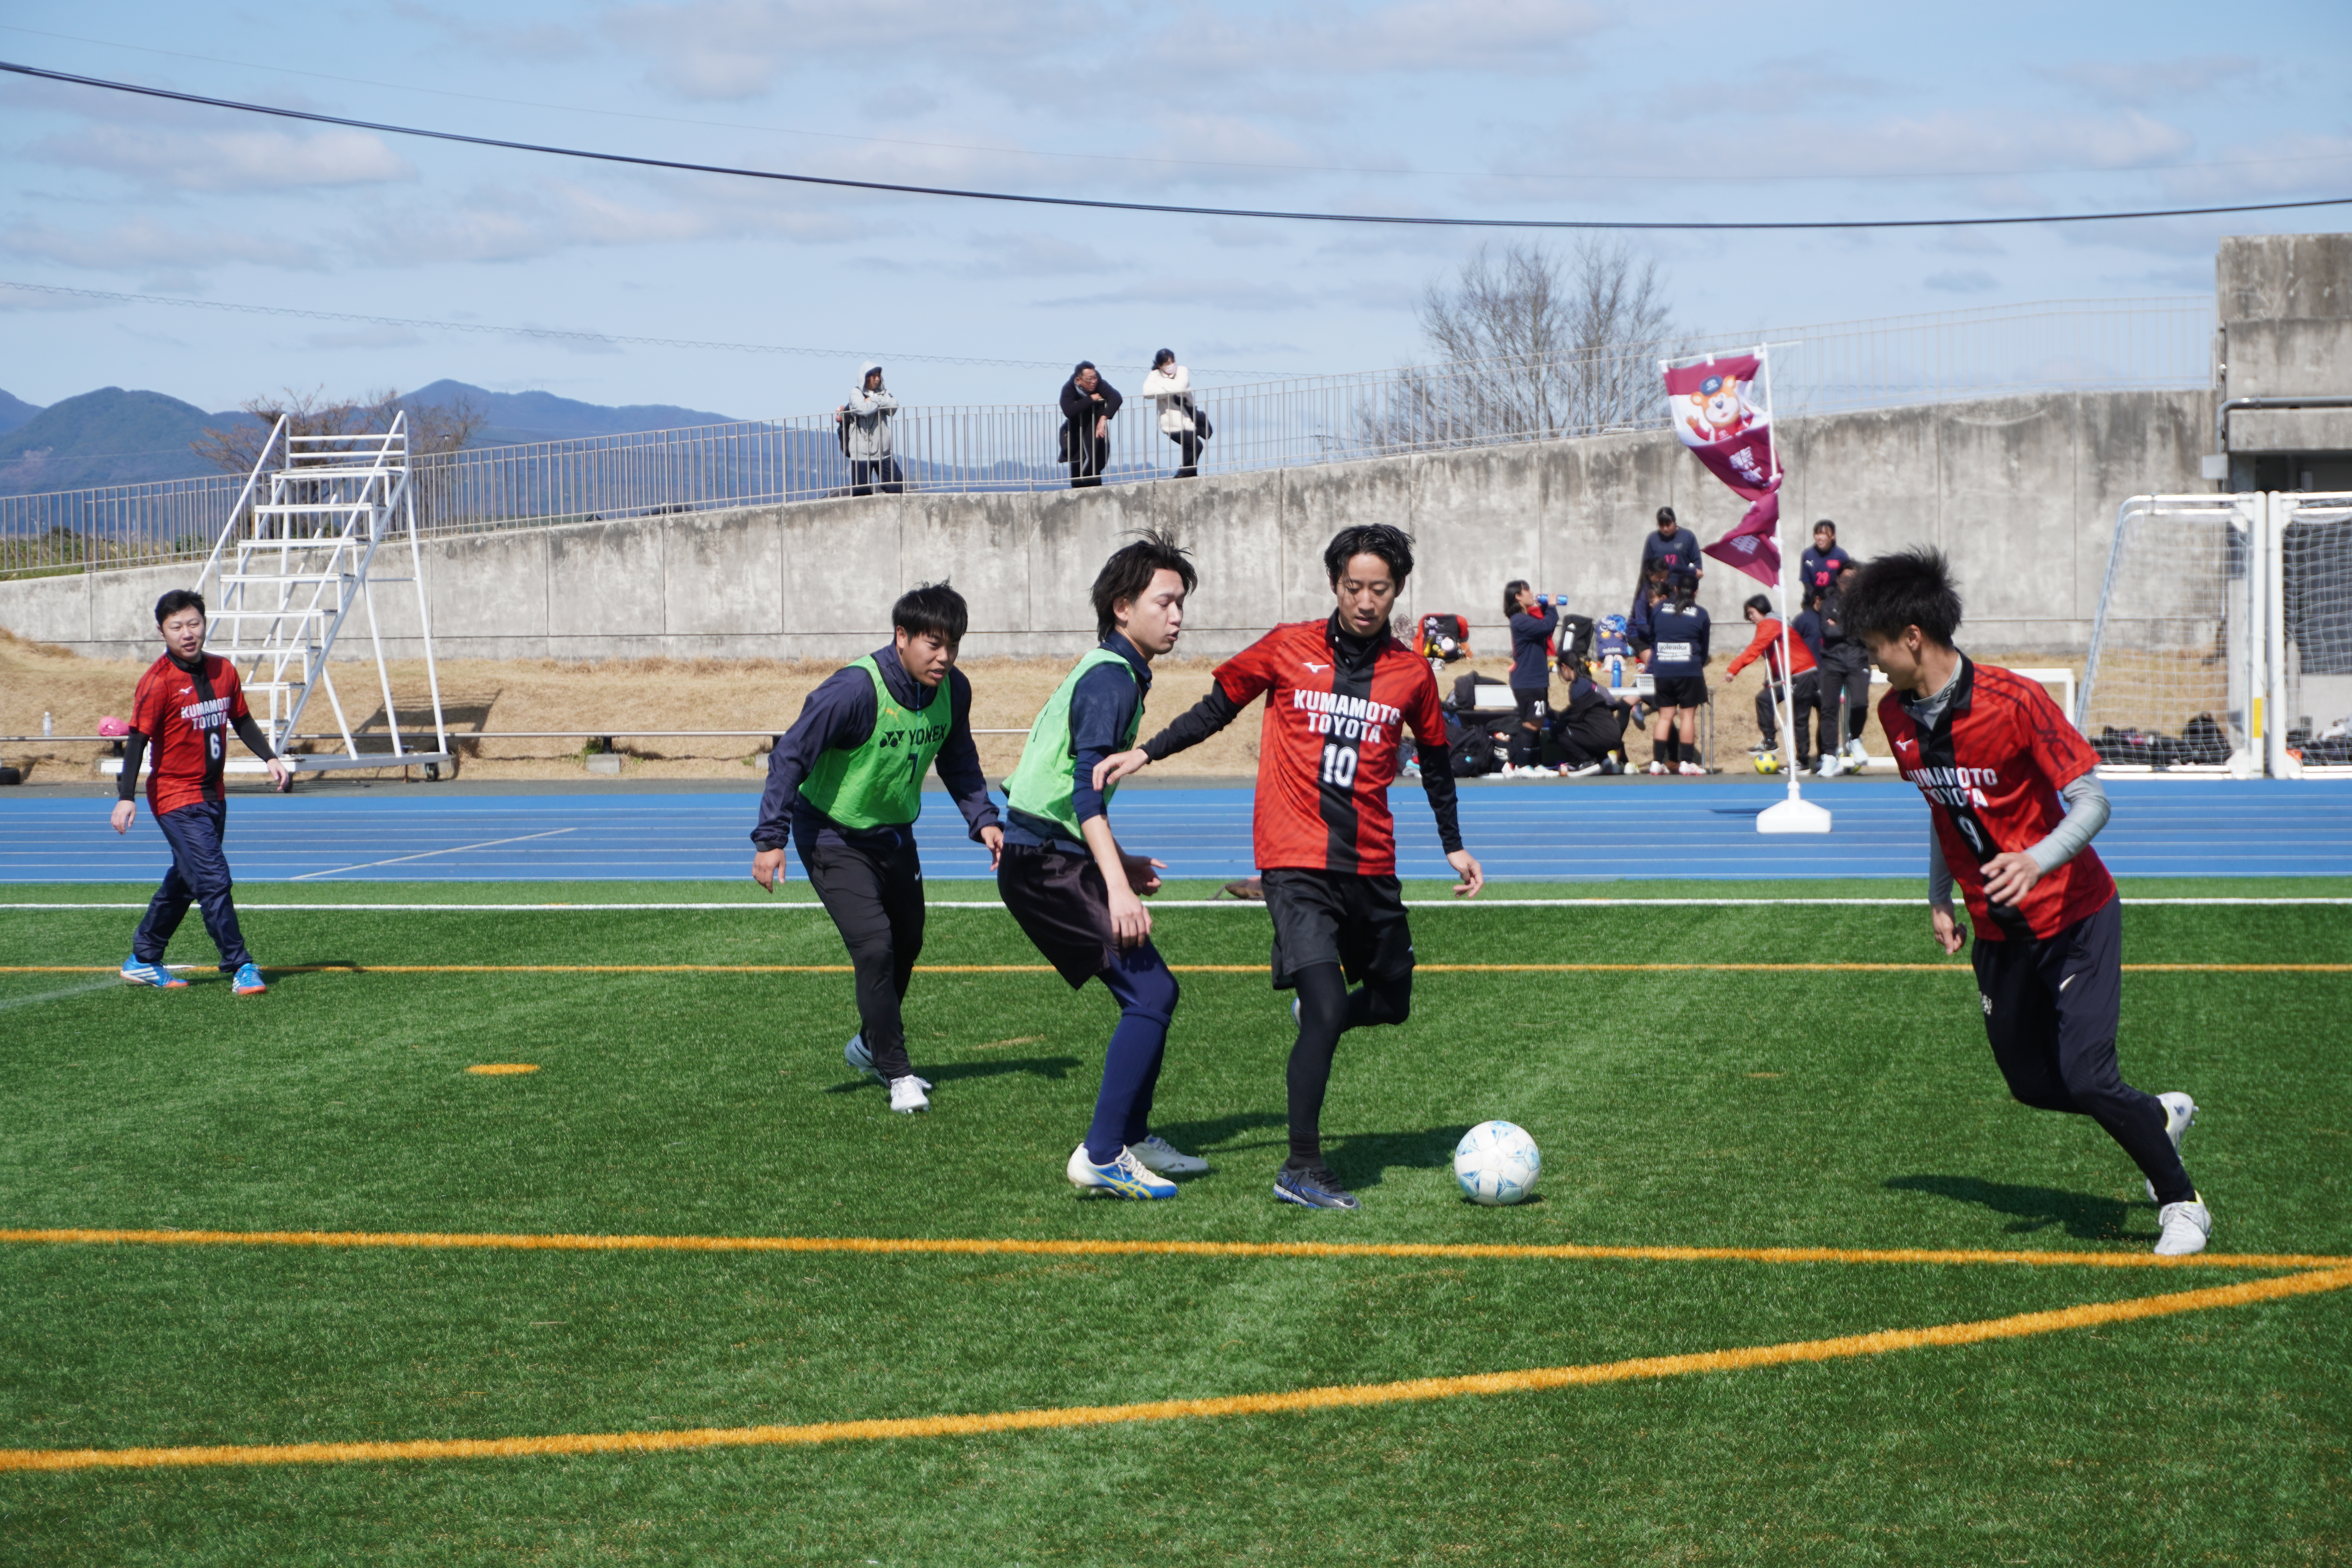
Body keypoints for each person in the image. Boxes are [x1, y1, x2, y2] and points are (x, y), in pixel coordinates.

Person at [1096, 523, 1485, 1211]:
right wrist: (1147, 753)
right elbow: (1218, 708)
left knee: (1393, 1004)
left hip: (1370, 862)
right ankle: (1302, 1167)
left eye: (1381, 588)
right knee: (1332, 1007)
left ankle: (1319, 1011)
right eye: (1355, 586)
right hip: (1294, 860)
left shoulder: (1412, 673)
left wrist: (1453, 843)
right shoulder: (1287, 646)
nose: (1366, 600)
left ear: (1398, 591)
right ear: (1335, 585)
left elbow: (1436, 761)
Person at [1848, 547, 2208, 1258]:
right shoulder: (1895, 715)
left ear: (1912, 637)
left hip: (2076, 917)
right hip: (1996, 930)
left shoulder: (2016, 702)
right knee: (2033, 1084)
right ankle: (2152, 1116)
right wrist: (1939, 894)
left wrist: (2037, 858)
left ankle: (2182, 1203)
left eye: (1876, 648)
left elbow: (2093, 802)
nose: (1874, 663)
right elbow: (1942, 806)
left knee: (2087, 1075)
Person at [997, 530, 1210, 1198]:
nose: (1177, 616)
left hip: (1052, 856)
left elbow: (1063, 787)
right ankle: (1101, 1153)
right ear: (1123, 607)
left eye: (1182, 604)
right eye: (1165, 602)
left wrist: (1119, 858)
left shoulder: (1112, 671)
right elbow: (1084, 789)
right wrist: (1118, 888)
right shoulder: (1112, 680)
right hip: (1043, 864)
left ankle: (1131, 1138)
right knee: (1147, 993)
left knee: (1157, 991)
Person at [749, 583, 1004, 1115]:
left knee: (908, 943)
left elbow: (959, 759)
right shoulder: (854, 692)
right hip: (831, 835)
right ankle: (898, 1073)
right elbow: (790, 756)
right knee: (875, 949)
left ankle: (868, 1044)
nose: (945, 657)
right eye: (933, 645)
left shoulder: (954, 690)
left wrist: (983, 819)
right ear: (902, 637)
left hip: (894, 836)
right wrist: (770, 840)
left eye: (953, 645)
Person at [112, 588, 292, 994]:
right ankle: (240, 964)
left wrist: (271, 757)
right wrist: (127, 796)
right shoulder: (157, 682)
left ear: (204, 623)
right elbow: (138, 741)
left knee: (187, 879)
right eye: (177, 626)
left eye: (194, 623)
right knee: (213, 877)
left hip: (214, 794)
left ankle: (143, 958)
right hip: (175, 796)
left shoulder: (223, 670)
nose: (188, 633)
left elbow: (242, 720)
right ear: (162, 631)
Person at [1723, 592, 1819, 769]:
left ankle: (1802, 759)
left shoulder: (1770, 623)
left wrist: (1733, 670)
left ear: (1761, 610)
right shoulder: (1777, 623)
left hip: (1802, 674)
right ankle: (1770, 740)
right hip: (1792, 675)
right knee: (1765, 699)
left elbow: (1755, 648)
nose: (1750, 618)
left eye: (1751, 613)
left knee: (1798, 717)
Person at [1643, 580, 1710, 776]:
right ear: (1696, 592)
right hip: (1690, 670)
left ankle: (1657, 762)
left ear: (1676, 589)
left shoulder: (1659, 609)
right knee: (1687, 716)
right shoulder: (1701, 613)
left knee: (1665, 716)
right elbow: (1704, 648)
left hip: (1663, 669)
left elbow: (1652, 637)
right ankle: (1686, 762)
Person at [1817, 561, 1873, 772]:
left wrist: (1840, 626)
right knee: (1829, 708)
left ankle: (1854, 738)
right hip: (1832, 661)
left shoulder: (1866, 605)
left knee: (1860, 703)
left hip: (1858, 660)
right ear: (1838, 579)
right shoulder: (1829, 603)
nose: (1848, 583)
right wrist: (1851, 629)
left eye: (1853, 580)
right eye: (1845, 578)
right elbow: (1827, 632)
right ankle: (1830, 755)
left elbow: (1866, 633)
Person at [1503, 580, 1559, 775]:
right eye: (1527, 590)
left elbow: (1543, 626)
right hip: (1527, 680)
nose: (1531, 593)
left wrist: (1544, 608)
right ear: (1518, 596)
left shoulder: (1528, 618)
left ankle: (1535, 763)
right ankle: (1521, 764)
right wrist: (1551, 608)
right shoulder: (1519, 619)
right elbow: (1546, 627)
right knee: (1532, 721)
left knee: (1539, 720)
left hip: (1536, 679)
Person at [1548, 660, 1633, 775]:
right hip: (1614, 736)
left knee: (1560, 730)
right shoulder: (1598, 690)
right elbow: (1614, 704)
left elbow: (1571, 718)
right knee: (1586, 728)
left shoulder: (1579, 689)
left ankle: (1587, 762)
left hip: (1601, 735)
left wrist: (1548, 712)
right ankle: (1603, 760)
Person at [839, 362, 902, 496]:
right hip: (861, 451)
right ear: (866, 377)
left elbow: (893, 407)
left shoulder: (884, 393)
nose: (877, 379)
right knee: (861, 492)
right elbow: (861, 409)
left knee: (896, 485)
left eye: (878, 376)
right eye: (873, 376)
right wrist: (880, 403)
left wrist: (873, 399)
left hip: (883, 450)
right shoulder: (856, 392)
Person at [1138, 349, 1203, 479]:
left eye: (1173, 361)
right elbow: (1147, 393)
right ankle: (1183, 473)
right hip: (1170, 424)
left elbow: (1181, 388)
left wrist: (1162, 386)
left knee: (1191, 447)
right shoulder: (1154, 375)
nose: (1171, 365)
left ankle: (1189, 475)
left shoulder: (1182, 370)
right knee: (1195, 445)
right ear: (1159, 365)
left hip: (1188, 419)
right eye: (1167, 363)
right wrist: (1174, 388)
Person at [1059, 362, 1122, 489]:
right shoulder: (1069, 388)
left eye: (1095, 377)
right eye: (1090, 379)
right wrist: (1091, 399)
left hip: (1095, 429)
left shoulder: (1099, 383)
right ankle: (1078, 496)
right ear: (1079, 380)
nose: (1094, 381)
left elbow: (1116, 398)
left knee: (1096, 461)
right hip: (1076, 432)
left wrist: (1103, 419)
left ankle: (1096, 494)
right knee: (1077, 463)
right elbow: (1069, 411)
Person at [1640, 505, 1702, 595]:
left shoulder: (1688, 537)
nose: (1665, 529)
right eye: (1662, 525)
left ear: (1675, 522)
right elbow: (1646, 566)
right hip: (1659, 590)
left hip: (1681, 589)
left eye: (1668, 524)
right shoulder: (1653, 539)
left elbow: (1697, 564)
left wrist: (1689, 586)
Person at [1799, 519, 1850, 595]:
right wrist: (1814, 598)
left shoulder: (1841, 556)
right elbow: (1806, 580)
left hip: (1834, 598)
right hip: (1812, 599)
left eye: (1824, 534)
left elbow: (1845, 581)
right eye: (1817, 534)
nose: (1820, 538)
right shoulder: (1807, 555)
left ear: (1833, 536)